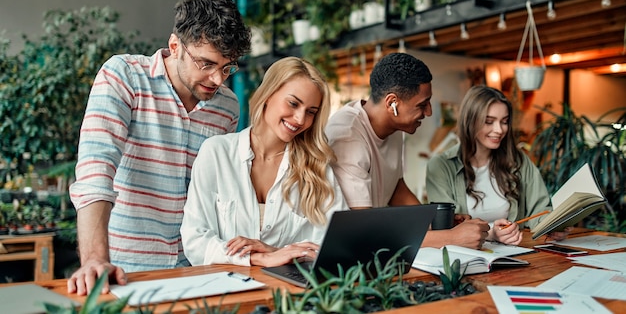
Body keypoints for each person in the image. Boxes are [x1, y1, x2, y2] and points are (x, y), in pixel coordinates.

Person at [67, 0, 251, 295]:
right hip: (125, 267)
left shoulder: (227, 107)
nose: (218, 79)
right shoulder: (123, 77)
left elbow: (215, 191)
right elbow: (95, 170)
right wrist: (95, 260)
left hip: (197, 267)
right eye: (206, 63)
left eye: (227, 67)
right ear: (175, 46)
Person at [181, 56, 349, 267]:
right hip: (225, 290)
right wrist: (260, 258)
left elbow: (339, 247)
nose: (299, 119)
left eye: (311, 112)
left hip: (292, 294)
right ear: (268, 94)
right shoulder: (217, 153)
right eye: (293, 103)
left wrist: (277, 252)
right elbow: (194, 240)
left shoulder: (316, 167)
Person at [326, 53, 490, 250]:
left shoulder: (393, 127)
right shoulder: (347, 135)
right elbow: (366, 230)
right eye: (422, 104)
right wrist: (451, 238)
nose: (428, 112)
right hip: (336, 256)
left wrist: (434, 222)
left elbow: (395, 188)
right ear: (391, 103)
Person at [426, 85, 568, 245]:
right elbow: (446, 229)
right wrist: (491, 234)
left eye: (504, 121)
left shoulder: (519, 161)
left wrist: (553, 224)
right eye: (489, 121)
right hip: (464, 259)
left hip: (516, 256)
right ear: (470, 121)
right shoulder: (440, 166)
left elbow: (540, 210)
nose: (499, 129)